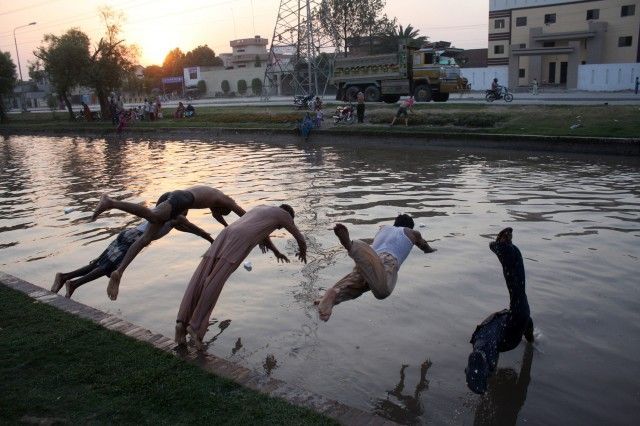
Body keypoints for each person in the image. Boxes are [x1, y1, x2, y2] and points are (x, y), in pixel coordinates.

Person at [175, 204, 307, 349]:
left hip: (226, 234)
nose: (278, 228)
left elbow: (262, 235)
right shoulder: (284, 215)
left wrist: (276, 252)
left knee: (200, 276)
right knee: (214, 282)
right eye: (279, 227)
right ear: (289, 215)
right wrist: (303, 251)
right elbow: (299, 237)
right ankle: (195, 326)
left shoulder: (262, 208)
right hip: (240, 240)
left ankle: (181, 323)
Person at [91, 185, 247, 300]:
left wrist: (225, 230)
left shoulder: (216, 202)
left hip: (176, 198)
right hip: (181, 199)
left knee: (145, 239)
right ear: (223, 208)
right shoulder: (225, 200)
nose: (216, 214)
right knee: (153, 216)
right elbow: (246, 217)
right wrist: (262, 237)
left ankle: (119, 271)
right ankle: (111, 203)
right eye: (219, 212)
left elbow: (220, 220)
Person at [52, 194, 213, 299]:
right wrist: (212, 241)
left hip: (128, 234)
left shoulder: (172, 220)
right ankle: (73, 284)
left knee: (99, 264)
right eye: (185, 209)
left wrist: (208, 240)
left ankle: (64, 277)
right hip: (134, 238)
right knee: (107, 268)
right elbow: (195, 229)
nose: (186, 212)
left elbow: (193, 231)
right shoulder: (177, 218)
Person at [315, 214, 435, 322]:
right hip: (388, 260)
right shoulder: (412, 233)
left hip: (370, 257)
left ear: (395, 223)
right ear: (410, 227)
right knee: (382, 291)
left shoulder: (383, 228)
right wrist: (431, 250)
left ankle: (334, 294)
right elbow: (425, 247)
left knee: (357, 285)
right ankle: (352, 247)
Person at [465, 227, 534, 395]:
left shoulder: (512, 320)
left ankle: (481, 360)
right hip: (497, 333)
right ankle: (482, 360)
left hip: (492, 334)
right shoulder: (518, 319)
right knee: (519, 296)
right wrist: (532, 343)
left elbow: (526, 323)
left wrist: (531, 339)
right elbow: (527, 325)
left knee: (487, 347)